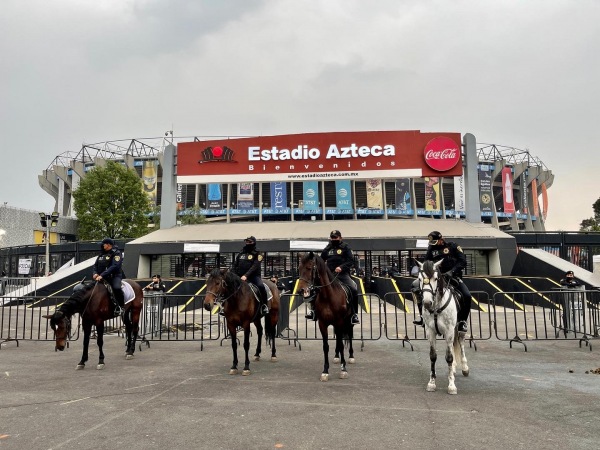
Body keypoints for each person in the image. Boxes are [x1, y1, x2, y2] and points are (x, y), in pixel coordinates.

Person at [412, 231, 473, 333]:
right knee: (415, 286)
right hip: (436, 278)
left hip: (452, 277)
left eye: (435, 242)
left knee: (467, 296)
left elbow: (462, 261)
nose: (433, 244)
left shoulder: (453, 246)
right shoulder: (431, 249)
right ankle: (423, 317)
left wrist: (452, 271)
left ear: (441, 239)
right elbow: (426, 263)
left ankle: (462, 321)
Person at [306, 230, 360, 325]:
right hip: (329, 275)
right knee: (315, 289)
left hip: (342, 274)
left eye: (336, 237)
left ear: (340, 238)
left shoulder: (345, 247)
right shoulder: (327, 248)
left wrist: (341, 267)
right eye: (332, 237)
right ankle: (313, 311)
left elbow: (350, 261)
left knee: (353, 290)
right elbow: (321, 260)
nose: (334, 239)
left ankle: (354, 314)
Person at [232, 236, 269, 316]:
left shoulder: (258, 253)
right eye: (247, 242)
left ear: (254, 243)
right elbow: (235, 264)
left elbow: (254, 266)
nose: (248, 243)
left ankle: (264, 306)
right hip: (239, 276)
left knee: (261, 287)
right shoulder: (241, 252)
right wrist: (233, 274)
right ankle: (226, 307)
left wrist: (246, 275)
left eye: (250, 242)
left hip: (253, 277)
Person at [93, 238, 125, 316]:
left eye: (103, 244)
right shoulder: (101, 254)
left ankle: (121, 307)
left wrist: (102, 275)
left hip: (114, 276)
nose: (102, 245)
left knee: (116, 288)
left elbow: (114, 266)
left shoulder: (116, 253)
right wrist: (95, 273)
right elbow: (95, 265)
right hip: (101, 277)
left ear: (108, 245)